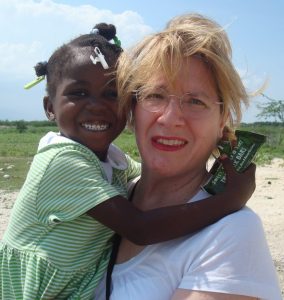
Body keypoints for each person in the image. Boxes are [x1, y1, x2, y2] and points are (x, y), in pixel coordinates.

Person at [0, 23, 255, 300]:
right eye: (155, 96)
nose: (97, 105)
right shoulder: (62, 162)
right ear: (50, 107)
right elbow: (140, 228)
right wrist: (229, 199)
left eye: (112, 94)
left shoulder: (114, 162)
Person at [94, 14, 282, 300]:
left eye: (196, 101)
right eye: (155, 95)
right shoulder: (111, 195)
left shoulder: (232, 233)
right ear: (132, 109)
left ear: (223, 121)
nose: (170, 119)